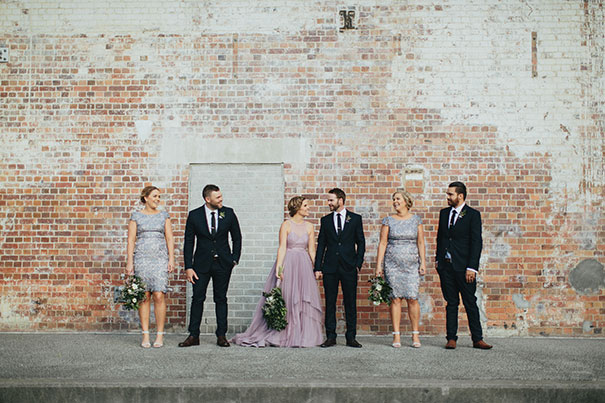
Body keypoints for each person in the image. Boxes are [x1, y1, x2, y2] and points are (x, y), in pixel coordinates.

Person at [232, 196, 323, 347]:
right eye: (305, 205)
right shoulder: (286, 225)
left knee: (302, 297)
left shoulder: (309, 227)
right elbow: (282, 248)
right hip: (289, 262)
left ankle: (301, 335)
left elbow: (312, 250)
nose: (308, 208)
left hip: (304, 265)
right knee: (288, 297)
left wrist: (317, 268)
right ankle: (285, 333)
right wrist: (279, 268)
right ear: (297, 207)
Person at [179, 184, 242, 348]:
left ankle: (221, 335)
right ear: (208, 199)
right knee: (197, 298)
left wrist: (234, 259)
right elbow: (189, 242)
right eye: (217, 197)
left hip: (223, 264)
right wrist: (188, 267)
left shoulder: (228, 213)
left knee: (221, 298)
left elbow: (237, 237)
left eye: (221, 196)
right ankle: (193, 335)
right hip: (200, 265)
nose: (221, 199)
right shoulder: (194, 215)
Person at [435, 181, 492, 350]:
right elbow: (440, 238)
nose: (447, 197)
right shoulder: (444, 213)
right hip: (446, 267)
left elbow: (476, 242)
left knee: (470, 302)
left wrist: (472, 267)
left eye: (450, 194)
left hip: (465, 267)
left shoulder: (472, 215)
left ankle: (477, 339)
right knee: (451, 303)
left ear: (460, 196)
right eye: (447, 194)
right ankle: (451, 338)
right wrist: (438, 261)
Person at [314, 188, 365, 348]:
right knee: (330, 302)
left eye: (331, 200)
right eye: (328, 200)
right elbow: (321, 245)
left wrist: (357, 264)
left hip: (349, 267)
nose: (329, 203)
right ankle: (331, 336)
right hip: (330, 267)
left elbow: (361, 242)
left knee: (350, 302)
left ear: (340, 200)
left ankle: (351, 337)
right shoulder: (325, 220)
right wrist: (318, 267)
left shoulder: (355, 219)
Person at [376, 189, 426, 348]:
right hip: (392, 265)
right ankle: (396, 335)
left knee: (413, 298)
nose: (395, 201)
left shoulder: (416, 220)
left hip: (411, 265)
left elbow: (420, 242)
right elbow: (383, 243)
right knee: (395, 298)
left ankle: (415, 334)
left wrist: (423, 263)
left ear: (406, 201)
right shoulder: (388, 220)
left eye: (397, 198)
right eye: (393, 199)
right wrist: (379, 265)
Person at [126, 185, 175, 348]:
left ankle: (159, 335)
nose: (157, 199)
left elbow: (169, 238)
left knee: (159, 295)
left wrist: (171, 259)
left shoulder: (164, 216)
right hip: (142, 259)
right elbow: (131, 240)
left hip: (160, 259)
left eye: (159, 196)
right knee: (144, 296)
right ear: (145, 197)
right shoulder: (136, 216)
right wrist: (130, 262)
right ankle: (145, 334)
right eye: (154, 196)